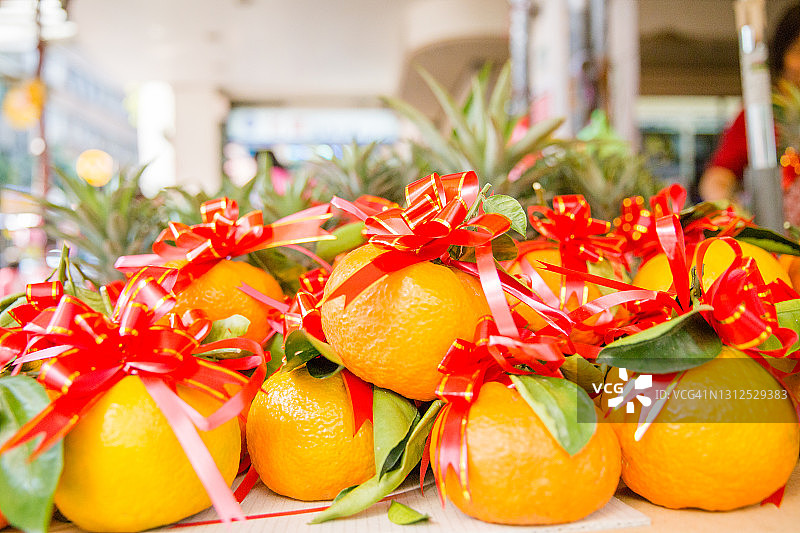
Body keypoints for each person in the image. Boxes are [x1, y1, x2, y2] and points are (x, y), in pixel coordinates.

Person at [699, 3, 800, 215]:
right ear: (782, 55)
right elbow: (716, 177)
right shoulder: (761, 114)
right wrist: (730, 210)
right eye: (798, 51)